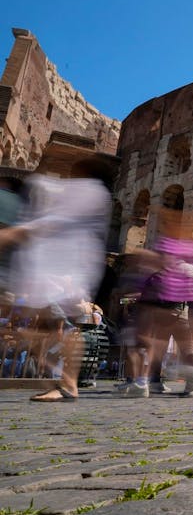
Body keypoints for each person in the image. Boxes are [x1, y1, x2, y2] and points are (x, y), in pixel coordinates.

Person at [0, 163, 112, 402]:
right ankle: (64, 383)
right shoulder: (85, 191)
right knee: (44, 328)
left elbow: (57, 221)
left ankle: (67, 384)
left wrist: (15, 233)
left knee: (53, 329)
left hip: (64, 273)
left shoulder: (90, 190)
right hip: (55, 271)